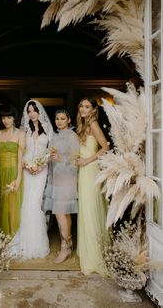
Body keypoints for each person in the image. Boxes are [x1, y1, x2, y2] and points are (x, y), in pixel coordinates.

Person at [8, 99, 54, 259]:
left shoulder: (47, 129)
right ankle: (23, 242)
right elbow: (21, 152)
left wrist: (40, 165)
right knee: (25, 203)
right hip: (27, 169)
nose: (32, 113)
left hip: (41, 171)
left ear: (39, 111)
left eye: (34, 110)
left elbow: (51, 151)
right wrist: (27, 166)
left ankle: (37, 243)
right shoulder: (23, 130)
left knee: (35, 203)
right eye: (29, 111)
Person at [75, 97, 109, 276]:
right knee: (85, 209)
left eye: (87, 106)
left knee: (91, 209)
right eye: (81, 106)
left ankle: (95, 254)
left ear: (94, 109)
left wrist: (87, 160)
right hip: (83, 172)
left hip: (92, 170)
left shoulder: (94, 124)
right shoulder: (82, 126)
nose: (83, 109)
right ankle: (87, 250)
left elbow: (105, 147)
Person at [43, 109, 80, 264]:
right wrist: (49, 157)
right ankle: (68, 244)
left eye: (62, 119)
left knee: (59, 213)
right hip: (57, 178)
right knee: (65, 213)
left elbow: (75, 160)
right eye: (57, 118)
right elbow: (52, 156)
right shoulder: (56, 136)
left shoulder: (72, 136)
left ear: (69, 120)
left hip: (67, 178)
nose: (59, 121)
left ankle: (65, 245)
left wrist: (60, 158)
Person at [0, 105, 25, 238]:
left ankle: (13, 237)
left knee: (12, 205)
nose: (6, 120)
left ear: (14, 118)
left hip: (14, 171)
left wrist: (19, 178)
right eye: (3, 118)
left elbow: (20, 158)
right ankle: (1, 236)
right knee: (0, 204)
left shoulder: (20, 133)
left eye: (9, 117)